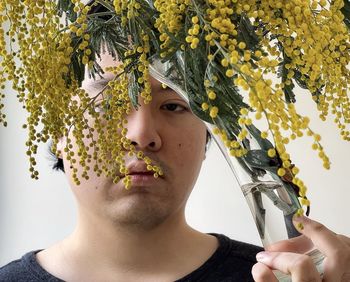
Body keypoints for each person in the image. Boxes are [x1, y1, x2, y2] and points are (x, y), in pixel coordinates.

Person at [1, 13, 350, 282]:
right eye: (108, 103)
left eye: (173, 106)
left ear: (209, 133)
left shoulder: (278, 278)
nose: (143, 134)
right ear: (59, 129)